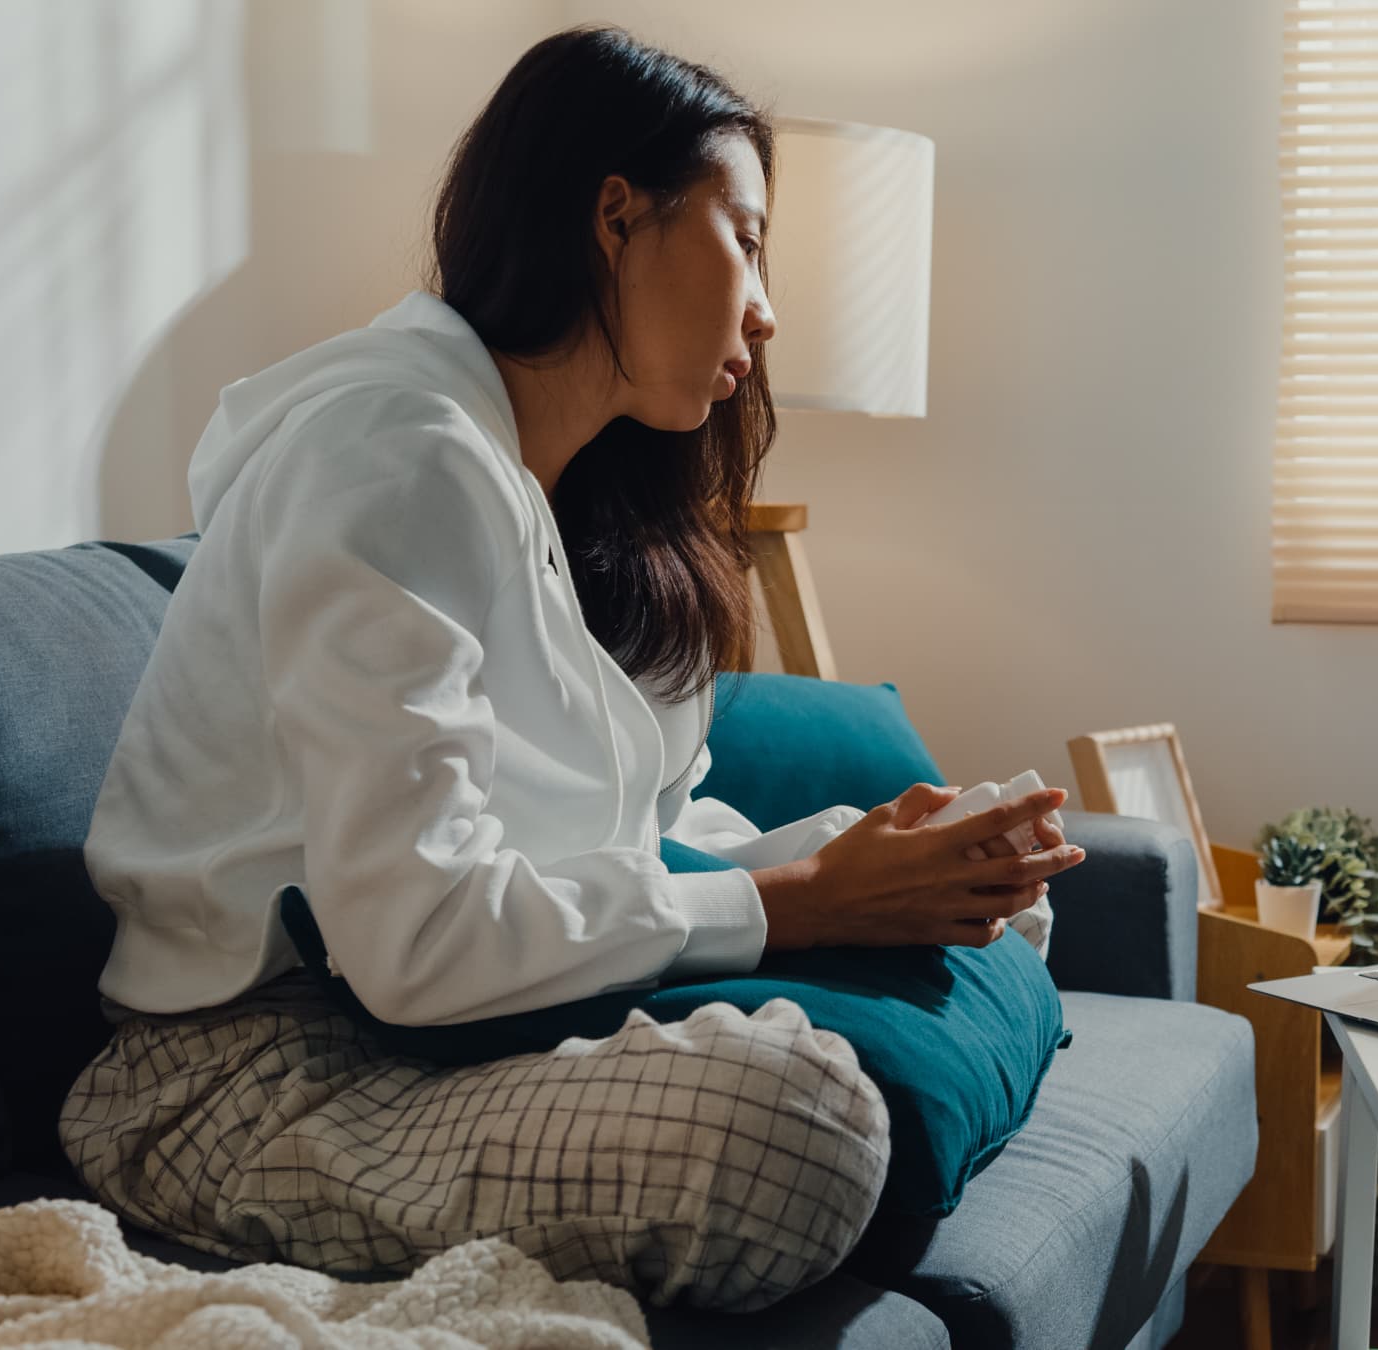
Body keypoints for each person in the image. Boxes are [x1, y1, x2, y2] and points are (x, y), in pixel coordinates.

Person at [58, 26, 1084, 1311]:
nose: (767, 311)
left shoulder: (562, 497)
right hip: (261, 1073)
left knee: (994, 900)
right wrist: (809, 898)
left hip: (453, 1024)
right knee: (801, 1123)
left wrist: (862, 855)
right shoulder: (391, 455)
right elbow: (421, 941)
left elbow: (641, 836)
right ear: (615, 214)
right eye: (747, 239)